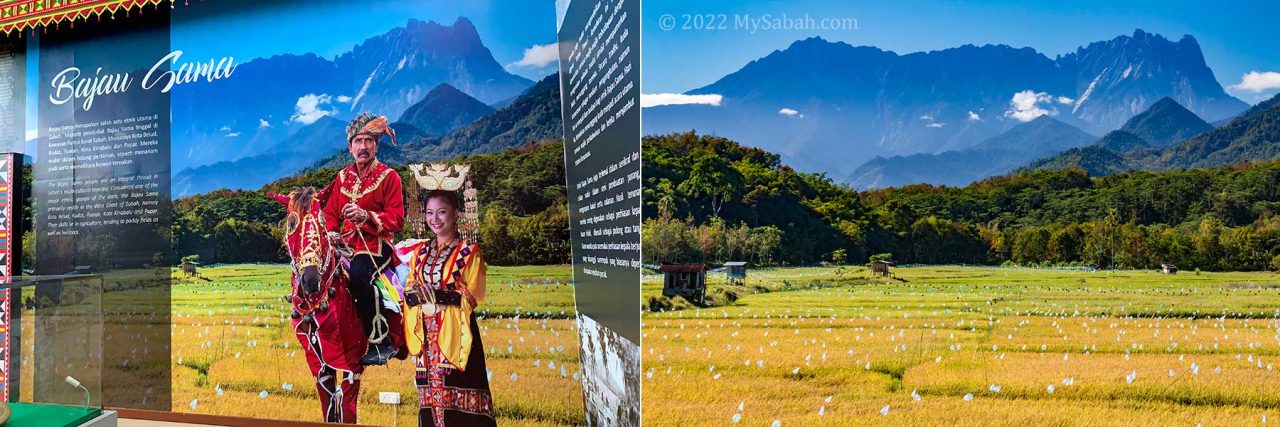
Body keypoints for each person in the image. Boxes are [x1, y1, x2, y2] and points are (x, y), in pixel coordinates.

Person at [395, 162, 496, 427]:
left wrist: (436, 297)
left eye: (442, 212)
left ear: (456, 213)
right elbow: (409, 292)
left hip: (455, 337)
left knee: (462, 405)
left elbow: (471, 296)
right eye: (429, 213)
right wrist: (419, 297)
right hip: (425, 343)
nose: (435, 219)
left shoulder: (470, 253)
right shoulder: (420, 253)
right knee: (429, 403)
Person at [317, 112, 405, 366]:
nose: (363, 146)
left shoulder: (390, 177)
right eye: (358, 141)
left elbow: (397, 219)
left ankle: (381, 341)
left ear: (376, 145)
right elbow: (330, 213)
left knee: (357, 275)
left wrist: (366, 215)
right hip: (345, 245)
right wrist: (331, 232)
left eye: (368, 140)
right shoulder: (342, 177)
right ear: (350, 147)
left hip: (376, 246)